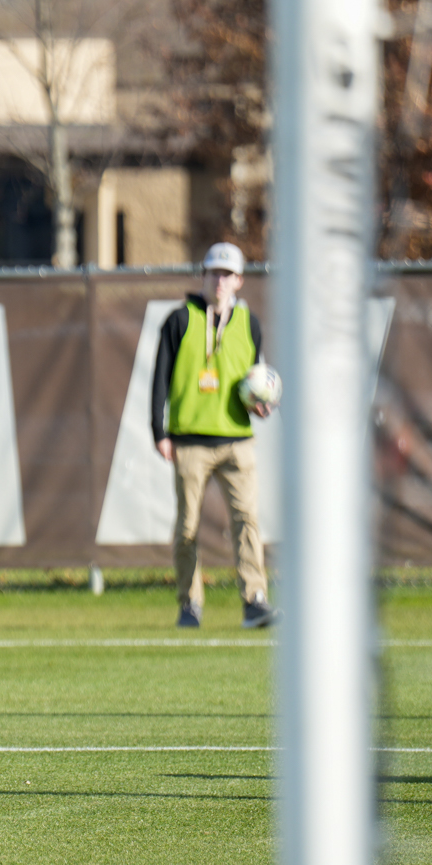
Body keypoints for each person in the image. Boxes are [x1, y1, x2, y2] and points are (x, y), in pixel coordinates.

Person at [152, 241, 276, 629]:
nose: (219, 281)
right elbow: (160, 378)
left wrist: (261, 405)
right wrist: (160, 430)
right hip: (189, 440)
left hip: (237, 439)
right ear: (202, 275)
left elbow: (254, 381)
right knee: (188, 527)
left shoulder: (249, 324)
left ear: (239, 280)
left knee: (247, 521)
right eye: (213, 272)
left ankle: (255, 601)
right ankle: (190, 604)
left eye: (227, 274)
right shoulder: (179, 319)